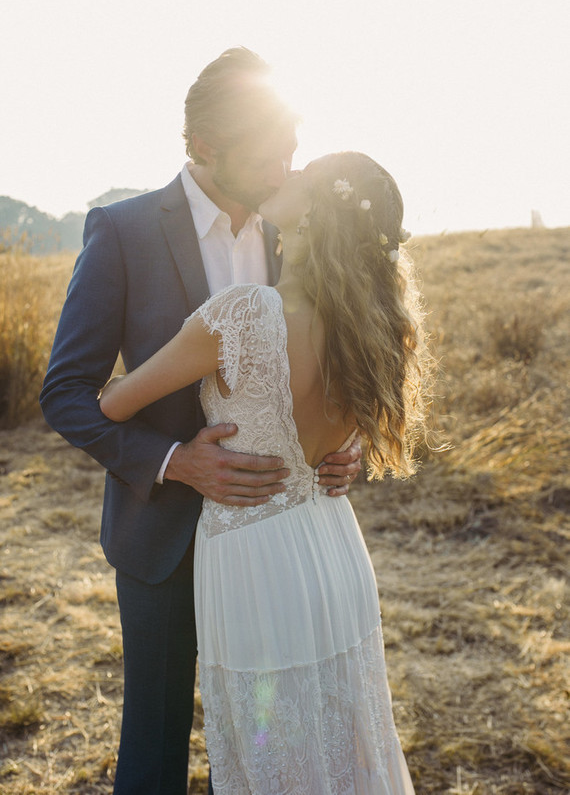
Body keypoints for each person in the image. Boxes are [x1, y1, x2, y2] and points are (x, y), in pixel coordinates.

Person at [40, 47, 360, 795]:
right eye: (269, 151)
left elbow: (319, 367)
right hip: (164, 541)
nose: (287, 167)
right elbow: (66, 392)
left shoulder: (293, 232)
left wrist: (342, 446)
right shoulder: (121, 232)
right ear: (204, 147)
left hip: (277, 545)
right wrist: (173, 458)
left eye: (292, 148)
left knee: (263, 749)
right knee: (153, 749)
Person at [99, 151, 427, 794]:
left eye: (303, 177)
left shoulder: (246, 311)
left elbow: (114, 403)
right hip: (333, 547)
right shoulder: (367, 323)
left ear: (313, 213)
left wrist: (121, 384)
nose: (286, 174)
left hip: (256, 559)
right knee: (343, 744)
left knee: (270, 754)